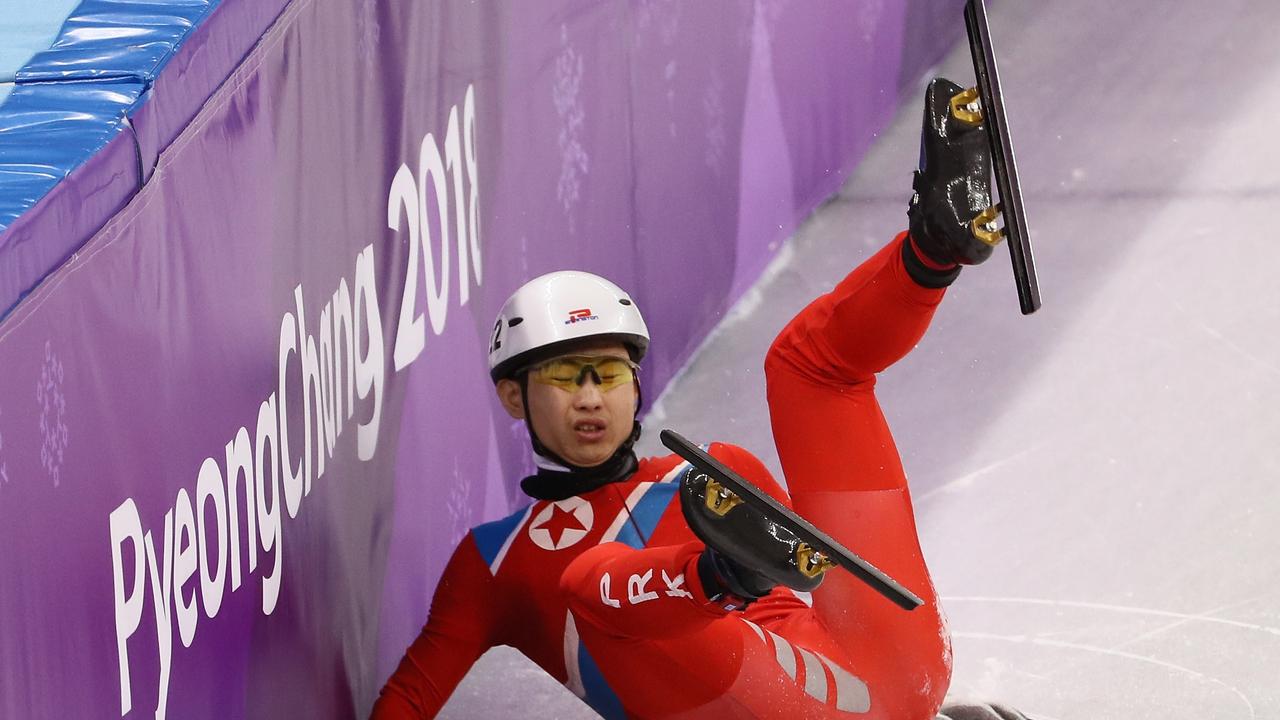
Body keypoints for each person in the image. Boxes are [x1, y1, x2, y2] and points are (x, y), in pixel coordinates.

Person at [372, 78, 1031, 720]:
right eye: (566, 376)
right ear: (512, 397)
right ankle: (722, 576)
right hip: (833, 698)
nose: (591, 398)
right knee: (587, 578)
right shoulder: (494, 560)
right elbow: (408, 700)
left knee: (805, 368)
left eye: (609, 372)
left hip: (880, 668)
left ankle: (930, 250)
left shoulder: (712, 476)